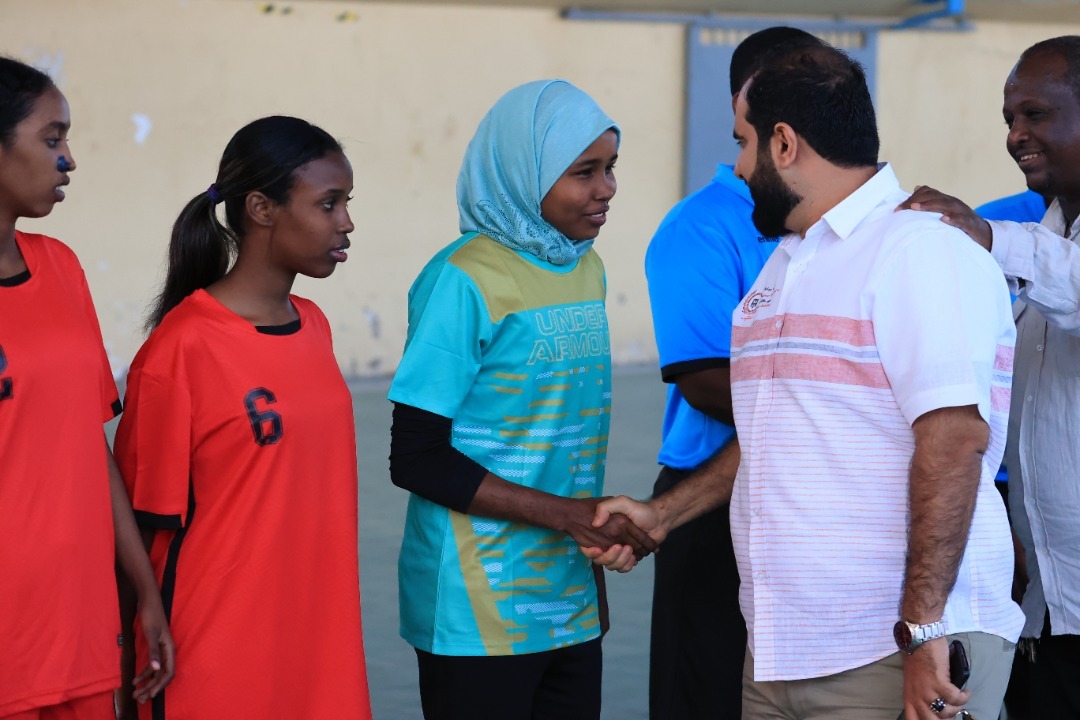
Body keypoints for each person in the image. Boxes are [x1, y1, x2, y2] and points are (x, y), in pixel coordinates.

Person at [587, 43, 1023, 719]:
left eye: (743, 142)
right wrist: (665, 514)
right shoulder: (789, 262)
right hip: (783, 650)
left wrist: (923, 630)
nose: (737, 165)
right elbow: (779, 428)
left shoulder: (921, 251)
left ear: (784, 144)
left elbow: (954, 441)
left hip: (891, 652)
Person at [387, 79, 656, 720]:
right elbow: (416, 457)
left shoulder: (585, 267)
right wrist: (568, 516)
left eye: (610, 167)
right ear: (520, 172)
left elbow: (568, 442)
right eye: (583, 171)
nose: (606, 188)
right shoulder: (463, 279)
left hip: (566, 594)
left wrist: (587, 574)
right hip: (475, 604)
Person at [113, 116, 371, 719]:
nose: (347, 222)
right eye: (328, 203)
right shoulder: (181, 349)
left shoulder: (316, 326)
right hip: (213, 660)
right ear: (260, 208)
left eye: (347, 204)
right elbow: (137, 533)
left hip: (317, 648)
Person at [643, 26, 822, 720]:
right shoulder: (700, 226)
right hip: (710, 500)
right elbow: (704, 381)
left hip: (810, 501)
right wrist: (832, 411)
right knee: (707, 692)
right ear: (746, 109)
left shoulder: (838, 225)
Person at [899, 35, 1080, 718]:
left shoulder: (1030, 245)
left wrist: (986, 235)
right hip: (1047, 608)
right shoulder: (1052, 231)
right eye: (1009, 118)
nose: (1016, 136)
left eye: (1035, 115)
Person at [0, 56, 173, 719]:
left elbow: (86, 445)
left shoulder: (62, 269)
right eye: (51, 138)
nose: (69, 159)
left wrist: (145, 591)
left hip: (78, 622)